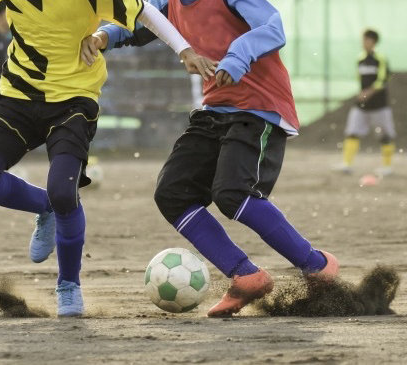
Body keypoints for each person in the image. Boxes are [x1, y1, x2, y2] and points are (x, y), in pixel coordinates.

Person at [0, 0, 214, 317]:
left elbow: (145, 12)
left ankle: (68, 285)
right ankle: (45, 207)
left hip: (73, 101)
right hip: (17, 97)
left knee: (64, 191)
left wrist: (184, 51)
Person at [85, 0, 339, 317]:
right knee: (172, 194)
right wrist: (102, 37)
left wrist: (236, 59)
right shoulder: (169, 3)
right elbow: (140, 23)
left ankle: (317, 266)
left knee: (232, 194)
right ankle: (246, 275)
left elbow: (272, 27)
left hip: (259, 108)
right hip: (215, 111)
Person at [337, 29, 395, 176]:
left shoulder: (380, 58)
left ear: (373, 41)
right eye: (363, 40)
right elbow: (360, 80)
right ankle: (347, 164)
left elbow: (383, 80)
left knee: (385, 135)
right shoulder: (360, 59)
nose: (364, 43)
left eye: (366, 40)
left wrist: (368, 92)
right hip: (362, 105)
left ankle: (387, 167)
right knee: (352, 133)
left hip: (379, 104)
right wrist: (362, 94)